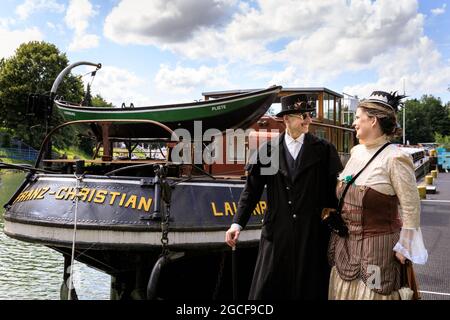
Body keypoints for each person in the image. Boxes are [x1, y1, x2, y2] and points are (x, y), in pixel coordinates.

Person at [225, 94, 343, 300]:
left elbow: (335, 193)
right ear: (286, 119)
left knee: (311, 288)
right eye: (303, 115)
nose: (308, 120)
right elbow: (251, 192)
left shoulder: (324, 150)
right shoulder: (267, 151)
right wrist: (237, 224)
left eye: (309, 115)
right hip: (277, 232)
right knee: (270, 288)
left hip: (312, 233)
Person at [327, 91, 428, 300]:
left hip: (378, 251)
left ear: (372, 121)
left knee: (372, 293)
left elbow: (411, 207)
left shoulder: (396, 157)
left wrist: (406, 247)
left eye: (357, 117)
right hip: (346, 246)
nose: (354, 123)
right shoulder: (356, 152)